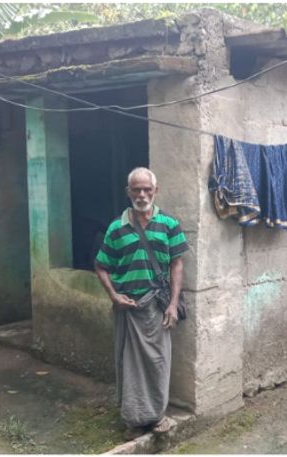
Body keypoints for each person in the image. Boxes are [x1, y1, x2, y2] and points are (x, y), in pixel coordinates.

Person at [94, 167, 188, 437]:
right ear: (128, 192)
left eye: (147, 189)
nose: (142, 194)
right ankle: (134, 419)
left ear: (155, 191)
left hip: (157, 307)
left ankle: (157, 417)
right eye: (137, 189)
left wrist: (172, 304)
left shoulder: (169, 225)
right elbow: (101, 266)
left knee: (159, 363)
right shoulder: (116, 228)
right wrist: (114, 296)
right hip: (128, 310)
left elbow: (177, 266)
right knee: (129, 365)